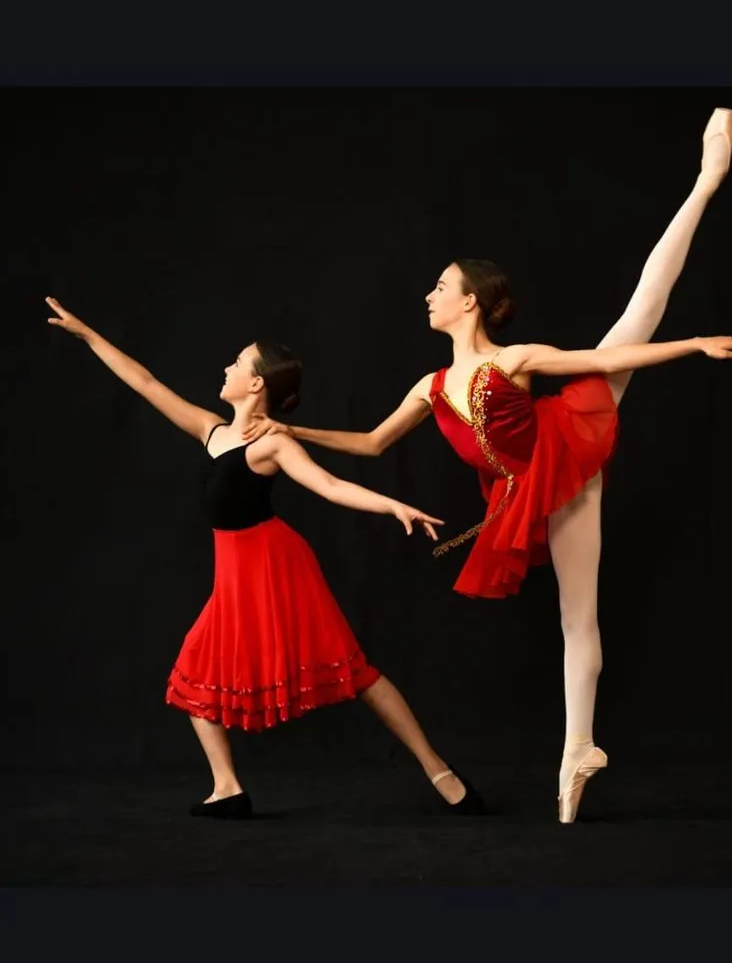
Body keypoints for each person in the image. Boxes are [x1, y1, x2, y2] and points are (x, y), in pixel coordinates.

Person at [244, 107, 732, 823]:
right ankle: (580, 753)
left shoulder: (513, 360)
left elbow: (612, 356)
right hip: (522, 489)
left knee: (636, 320)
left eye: (440, 286)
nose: (428, 295)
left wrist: (694, 343)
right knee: (574, 617)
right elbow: (370, 444)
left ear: (471, 302)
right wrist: (291, 428)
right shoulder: (430, 386)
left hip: (563, 452)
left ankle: (706, 181)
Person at [45, 298, 487, 819]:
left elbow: (329, 485)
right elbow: (144, 382)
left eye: (237, 362)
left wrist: (392, 505)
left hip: (275, 566)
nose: (226, 367)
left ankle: (438, 769)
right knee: (193, 672)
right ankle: (227, 788)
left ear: (256, 383)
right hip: (234, 573)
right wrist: (89, 335)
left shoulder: (270, 444)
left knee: (354, 672)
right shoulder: (211, 430)